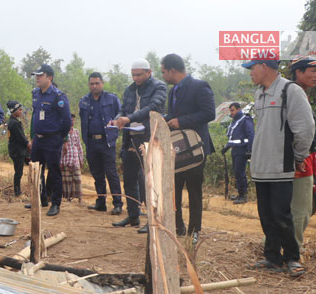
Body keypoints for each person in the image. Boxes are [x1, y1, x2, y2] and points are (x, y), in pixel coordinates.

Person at [244, 58, 314, 277]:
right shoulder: (259, 93)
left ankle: (292, 259)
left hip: (281, 164)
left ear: (265, 67)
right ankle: (272, 257)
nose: (250, 73)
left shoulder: (289, 90)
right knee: (266, 215)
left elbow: (305, 127)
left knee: (282, 214)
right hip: (261, 165)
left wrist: (300, 155)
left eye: (252, 68)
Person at [161, 53, 216, 244]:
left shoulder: (199, 86)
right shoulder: (173, 90)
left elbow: (209, 113)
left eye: (163, 72)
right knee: (174, 189)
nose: (163, 76)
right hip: (176, 149)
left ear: (172, 70)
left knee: (194, 191)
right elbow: (174, 114)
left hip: (195, 148)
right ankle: (178, 227)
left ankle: (195, 232)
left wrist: (181, 121)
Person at [111, 59, 167, 233]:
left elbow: (152, 107)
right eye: (133, 75)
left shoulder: (159, 87)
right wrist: (118, 118)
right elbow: (124, 109)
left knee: (149, 181)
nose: (136, 78)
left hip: (149, 139)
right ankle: (133, 215)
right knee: (129, 178)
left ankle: (153, 220)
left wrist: (130, 118)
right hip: (131, 138)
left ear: (149, 72)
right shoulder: (130, 89)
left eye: (139, 75)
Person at [30, 64, 72, 216]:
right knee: (35, 170)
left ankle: (55, 203)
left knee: (54, 172)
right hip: (38, 139)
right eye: (36, 75)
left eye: (40, 75)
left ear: (49, 77)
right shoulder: (36, 94)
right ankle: (38, 199)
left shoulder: (58, 96)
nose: (37, 78)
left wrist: (61, 137)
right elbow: (35, 117)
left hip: (53, 139)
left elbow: (67, 120)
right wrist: (33, 137)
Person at [79, 72, 122, 214]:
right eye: (92, 83)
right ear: (88, 85)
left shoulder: (112, 99)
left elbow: (120, 114)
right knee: (97, 174)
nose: (94, 86)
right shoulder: (84, 101)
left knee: (111, 173)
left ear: (102, 83)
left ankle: (117, 204)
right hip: (91, 142)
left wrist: (115, 133)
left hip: (106, 142)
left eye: (97, 83)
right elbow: (83, 121)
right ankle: (101, 202)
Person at [288, 56, 316, 251]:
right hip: (300, 158)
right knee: (301, 208)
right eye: (312, 71)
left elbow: (305, 123)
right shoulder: (296, 94)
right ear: (298, 72)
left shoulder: (298, 93)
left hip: (303, 156)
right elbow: (298, 128)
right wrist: (299, 157)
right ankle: (294, 251)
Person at [221, 102, 255, 204]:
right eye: (230, 111)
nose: (231, 113)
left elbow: (251, 135)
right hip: (235, 150)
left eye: (233, 110)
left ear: (239, 109)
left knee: (240, 173)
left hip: (242, 150)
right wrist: (226, 147)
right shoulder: (235, 121)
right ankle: (240, 194)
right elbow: (233, 137)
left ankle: (243, 196)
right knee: (236, 172)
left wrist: (249, 150)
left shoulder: (245, 120)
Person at [6, 101, 30, 196]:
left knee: (19, 170)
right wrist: (28, 144)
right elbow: (21, 138)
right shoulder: (14, 123)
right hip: (17, 151)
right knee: (18, 172)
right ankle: (17, 191)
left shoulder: (14, 121)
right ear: (14, 111)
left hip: (18, 150)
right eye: (19, 109)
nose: (21, 111)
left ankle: (18, 190)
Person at [61, 114, 83, 202]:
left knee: (77, 179)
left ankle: (79, 198)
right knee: (67, 181)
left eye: (73, 120)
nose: (72, 122)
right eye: (70, 120)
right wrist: (61, 161)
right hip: (66, 160)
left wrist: (81, 159)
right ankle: (68, 198)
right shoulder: (62, 132)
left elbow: (79, 146)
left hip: (75, 159)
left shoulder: (76, 132)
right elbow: (60, 148)